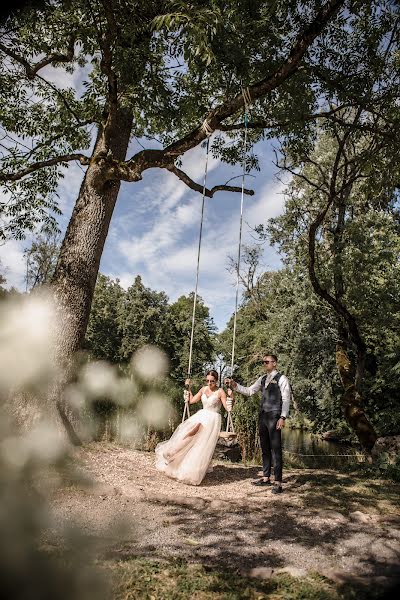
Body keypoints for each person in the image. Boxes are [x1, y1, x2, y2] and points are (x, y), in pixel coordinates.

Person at [225, 353, 290, 494]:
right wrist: (234, 385)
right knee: (265, 447)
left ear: (275, 363)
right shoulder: (262, 379)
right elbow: (249, 391)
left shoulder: (282, 379)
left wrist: (283, 417)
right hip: (263, 416)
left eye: (267, 362)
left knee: (276, 449)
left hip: (274, 416)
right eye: (263, 362)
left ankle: (278, 482)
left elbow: (286, 399)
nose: (265, 364)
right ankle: (266, 477)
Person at [155, 370, 232, 485]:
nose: (209, 383)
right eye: (207, 380)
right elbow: (191, 401)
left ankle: (177, 457)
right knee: (189, 435)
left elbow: (228, 408)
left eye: (212, 381)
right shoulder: (203, 389)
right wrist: (188, 389)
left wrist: (231, 397)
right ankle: (173, 456)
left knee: (198, 440)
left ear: (216, 380)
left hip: (212, 419)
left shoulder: (220, 392)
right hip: (202, 415)